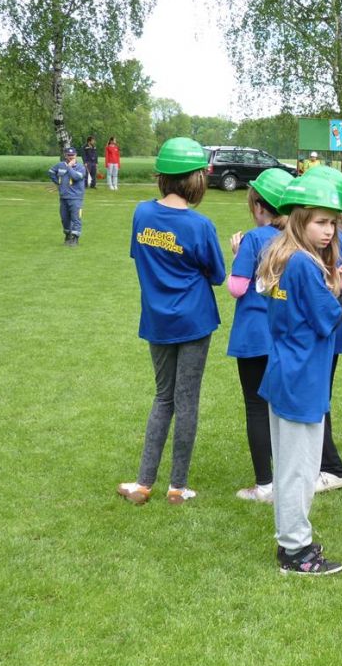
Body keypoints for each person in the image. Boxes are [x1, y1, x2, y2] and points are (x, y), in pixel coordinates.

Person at [256, 171, 342, 576]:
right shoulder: (302, 262)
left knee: (288, 467)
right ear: (299, 219)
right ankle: (295, 550)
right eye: (320, 221)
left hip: (285, 370)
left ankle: (292, 540)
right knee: (299, 470)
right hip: (302, 377)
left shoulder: (280, 253)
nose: (329, 231)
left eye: (333, 222)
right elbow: (328, 318)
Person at [117, 137, 226, 505]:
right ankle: (177, 487)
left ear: (162, 177)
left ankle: (143, 483)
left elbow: (140, 256)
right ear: (196, 179)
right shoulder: (200, 225)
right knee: (186, 400)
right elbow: (217, 275)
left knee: (163, 397)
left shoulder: (142, 214)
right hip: (194, 321)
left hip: (158, 320)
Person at [227, 167, 294, 503]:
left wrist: (238, 256)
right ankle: (288, 479)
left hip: (255, 334)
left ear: (258, 206)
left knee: (256, 407)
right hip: (287, 332)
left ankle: (265, 484)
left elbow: (238, 288)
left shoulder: (254, 239)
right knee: (282, 408)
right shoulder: (296, 238)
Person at [302, 165, 342, 494]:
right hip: (328, 323)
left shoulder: (329, 238)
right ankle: (319, 463)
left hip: (328, 325)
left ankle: (331, 467)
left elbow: (331, 291)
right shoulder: (330, 234)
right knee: (318, 393)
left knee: (318, 395)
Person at [48, 147, 87, 246]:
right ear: (65, 155)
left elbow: (76, 177)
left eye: (72, 155)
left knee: (76, 218)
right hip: (63, 197)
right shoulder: (60, 165)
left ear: (76, 155)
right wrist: (58, 183)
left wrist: (69, 167)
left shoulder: (81, 167)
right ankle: (67, 236)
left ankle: (75, 238)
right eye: (68, 155)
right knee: (64, 219)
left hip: (76, 198)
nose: (70, 157)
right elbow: (51, 171)